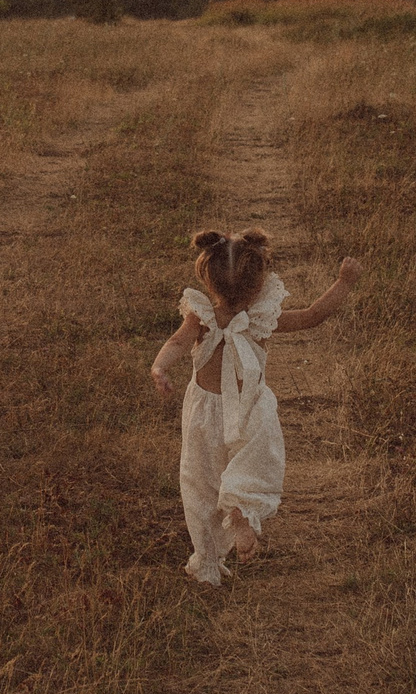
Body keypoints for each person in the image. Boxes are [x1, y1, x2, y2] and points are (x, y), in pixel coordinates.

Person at [151, 229, 364, 584]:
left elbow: (176, 343)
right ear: (258, 284)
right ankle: (241, 510)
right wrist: (344, 282)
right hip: (250, 410)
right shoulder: (264, 317)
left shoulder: (200, 317)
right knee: (253, 463)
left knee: (200, 482)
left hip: (205, 414)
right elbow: (313, 315)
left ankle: (206, 563)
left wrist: (159, 367)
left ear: (208, 278)